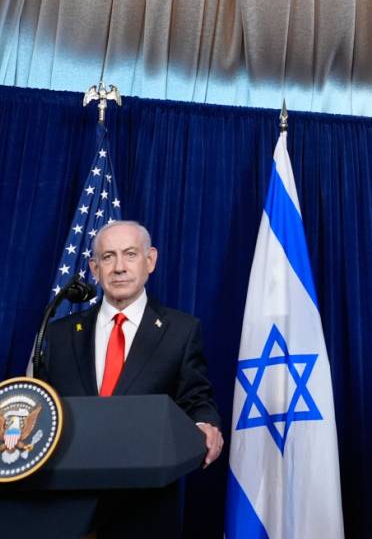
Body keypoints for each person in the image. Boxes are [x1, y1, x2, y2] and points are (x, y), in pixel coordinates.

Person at [39, 220, 222, 538]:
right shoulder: (59, 335)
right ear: (94, 268)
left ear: (150, 260)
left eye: (130, 254)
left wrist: (205, 423)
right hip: (68, 509)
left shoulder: (181, 331)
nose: (119, 267)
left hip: (144, 508)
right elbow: (43, 407)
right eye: (108, 257)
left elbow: (196, 398)